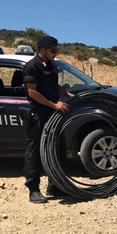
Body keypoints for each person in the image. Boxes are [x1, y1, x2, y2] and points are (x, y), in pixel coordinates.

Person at [23, 35, 73, 203]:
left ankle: (55, 185)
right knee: (35, 152)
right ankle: (33, 190)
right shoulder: (32, 66)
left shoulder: (52, 65)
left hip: (53, 113)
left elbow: (55, 86)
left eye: (57, 50)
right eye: (53, 50)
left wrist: (70, 96)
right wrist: (54, 105)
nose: (55, 53)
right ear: (42, 50)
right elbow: (32, 92)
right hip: (39, 114)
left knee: (58, 149)